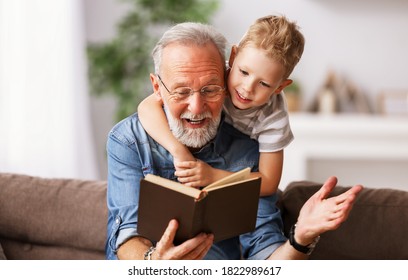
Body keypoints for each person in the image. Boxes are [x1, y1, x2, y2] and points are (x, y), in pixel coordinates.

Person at [105, 21, 363, 260]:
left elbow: (265, 249)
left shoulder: (254, 143)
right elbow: (126, 236)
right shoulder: (128, 141)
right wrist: (155, 265)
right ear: (157, 88)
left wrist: (301, 237)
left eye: (210, 89)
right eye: (182, 91)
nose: (196, 107)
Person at [138, 15, 303, 196]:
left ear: (280, 87)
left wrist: (214, 176)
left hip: (235, 163)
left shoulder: (273, 117)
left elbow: (269, 182)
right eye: (244, 72)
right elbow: (146, 107)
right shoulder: (212, 78)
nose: (247, 88)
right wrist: (180, 152)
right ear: (233, 57)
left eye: (263, 84)